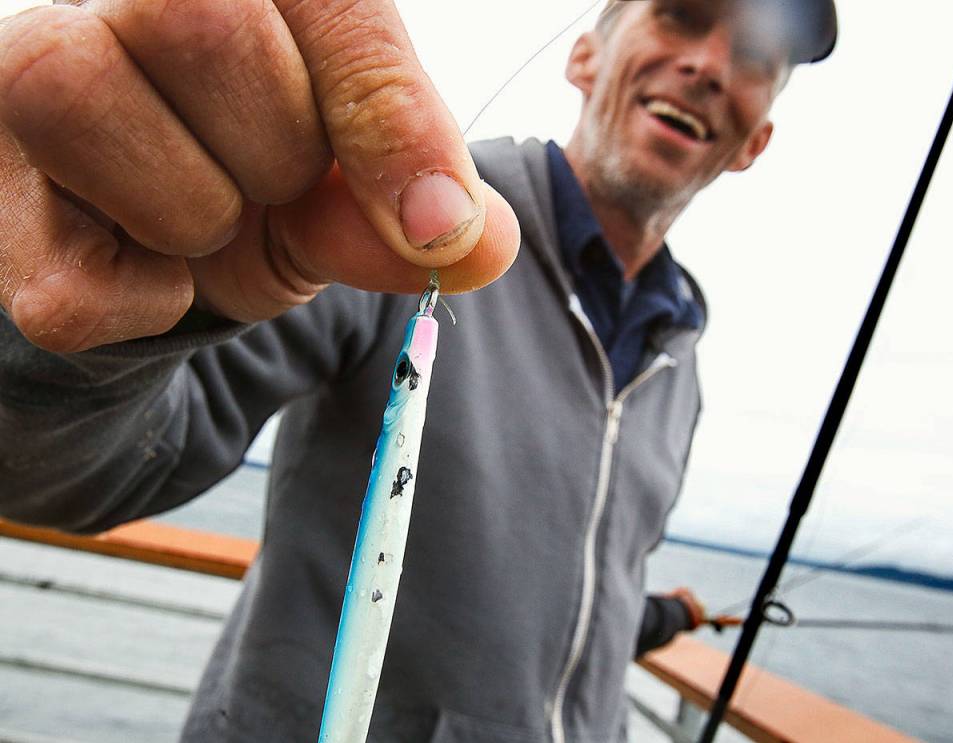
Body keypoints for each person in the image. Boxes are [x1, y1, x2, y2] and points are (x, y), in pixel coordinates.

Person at [0, 0, 836, 740]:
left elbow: (587, 589)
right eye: (681, 14)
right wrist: (108, 300)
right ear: (585, 56)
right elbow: (78, 473)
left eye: (756, 57)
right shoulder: (387, 233)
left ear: (755, 141)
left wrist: (663, 614)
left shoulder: (678, 365)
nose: (707, 65)